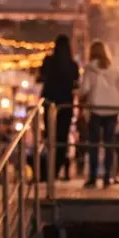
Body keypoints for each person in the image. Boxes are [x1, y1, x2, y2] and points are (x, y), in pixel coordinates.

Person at [79, 41, 119, 188]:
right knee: (109, 143)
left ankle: (92, 177)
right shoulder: (115, 68)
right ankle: (108, 177)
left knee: (94, 144)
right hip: (112, 108)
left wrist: (80, 100)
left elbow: (84, 89)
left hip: (96, 108)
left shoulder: (90, 68)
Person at [38, 34, 80, 180]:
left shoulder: (48, 61)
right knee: (62, 138)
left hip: (50, 103)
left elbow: (41, 76)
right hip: (66, 104)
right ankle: (56, 170)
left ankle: (48, 170)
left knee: (50, 136)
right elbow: (76, 83)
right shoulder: (73, 65)